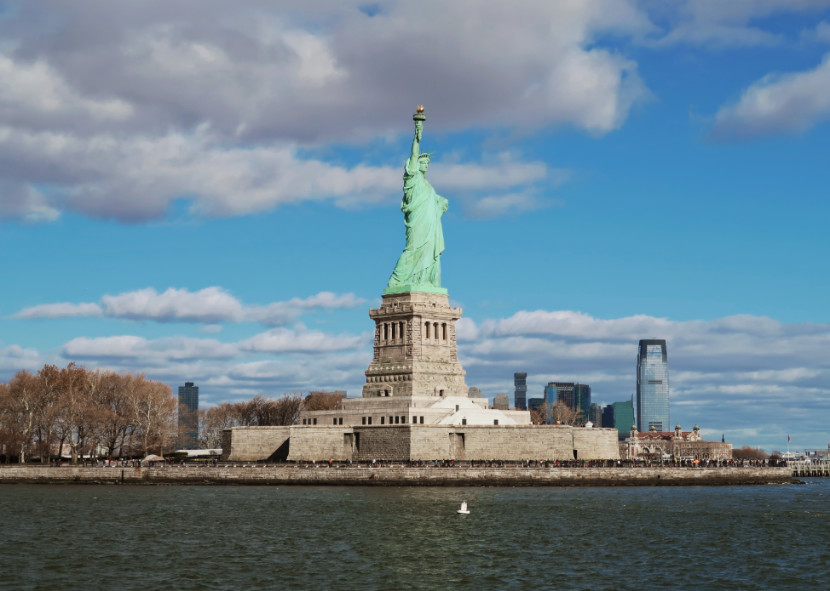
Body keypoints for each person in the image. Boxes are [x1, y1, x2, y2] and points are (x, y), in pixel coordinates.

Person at [386, 113, 448, 292]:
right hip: (418, 223)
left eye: (428, 163)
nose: (426, 165)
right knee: (412, 248)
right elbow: (414, 154)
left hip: (430, 226)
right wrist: (417, 134)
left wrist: (441, 203)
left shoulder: (428, 186)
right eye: (424, 162)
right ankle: (397, 280)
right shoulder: (412, 178)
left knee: (428, 251)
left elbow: (436, 203)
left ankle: (425, 281)